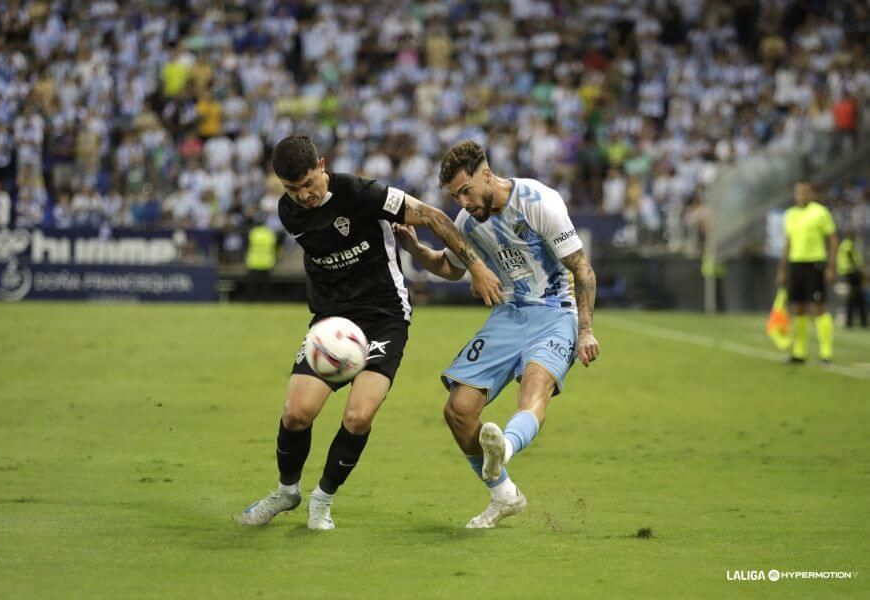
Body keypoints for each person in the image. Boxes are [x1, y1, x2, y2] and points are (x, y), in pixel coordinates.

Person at [238, 135, 501, 530]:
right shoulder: (288, 212)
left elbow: (432, 216)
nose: (305, 195)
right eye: (293, 189)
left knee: (358, 416)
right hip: (332, 324)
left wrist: (476, 266)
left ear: (322, 165)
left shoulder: (360, 193)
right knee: (296, 414)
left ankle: (322, 501)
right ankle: (285, 492)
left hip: (384, 316)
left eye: (309, 183)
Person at [394, 139, 600, 528]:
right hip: (508, 316)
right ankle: (504, 494)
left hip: (556, 313)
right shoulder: (467, 223)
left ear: (486, 174)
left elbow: (582, 270)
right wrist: (416, 248)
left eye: (466, 191)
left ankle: (502, 448)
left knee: (534, 390)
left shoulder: (540, 202)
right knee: (458, 411)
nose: (463, 202)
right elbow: (450, 268)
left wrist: (586, 332)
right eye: (455, 196)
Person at [776, 180, 838, 364]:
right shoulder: (790, 215)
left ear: (812, 193)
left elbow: (833, 240)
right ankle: (799, 352)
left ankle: (826, 353)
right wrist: (782, 269)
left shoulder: (820, 212)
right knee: (798, 308)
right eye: (799, 191)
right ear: (795, 193)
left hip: (815, 264)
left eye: (806, 191)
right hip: (795, 264)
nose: (802, 194)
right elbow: (787, 243)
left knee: (818, 307)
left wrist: (831, 266)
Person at [837, 228, 866, 328]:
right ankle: (858, 321)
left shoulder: (846, 244)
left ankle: (858, 320)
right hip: (852, 273)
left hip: (850, 273)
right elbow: (851, 256)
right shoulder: (848, 244)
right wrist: (860, 270)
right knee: (855, 296)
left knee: (856, 296)